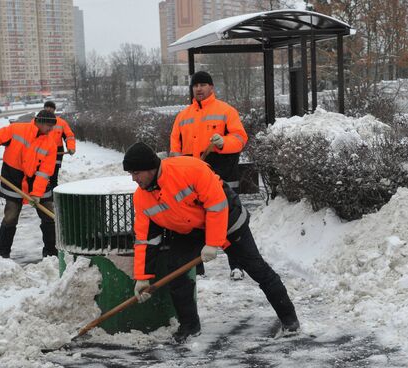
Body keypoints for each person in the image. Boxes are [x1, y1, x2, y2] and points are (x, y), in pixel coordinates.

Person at [123, 142, 299, 343]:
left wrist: (213, 242)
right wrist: (143, 277)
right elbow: (145, 238)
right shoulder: (142, 198)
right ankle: (189, 326)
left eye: (136, 173)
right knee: (176, 272)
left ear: (151, 168)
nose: (134, 179)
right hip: (190, 230)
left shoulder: (190, 169)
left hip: (228, 219)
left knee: (256, 267)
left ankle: (289, 319)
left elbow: (216, 204)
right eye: (131, 174)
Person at [169, 70, 248, 281]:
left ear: (211, 87)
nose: (199, 88)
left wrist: (223, 143)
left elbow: (240, 138)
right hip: (194, 177)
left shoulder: (226, 111)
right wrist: (179, 168)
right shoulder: (183, 116)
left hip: (222, 172)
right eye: (195, 85)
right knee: (196, 221)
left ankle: (237, 265)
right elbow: (175, 147)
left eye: (203, 84)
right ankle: (198, 268)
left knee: (230, 221)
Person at [0, 110, 59, 258]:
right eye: (49, 125)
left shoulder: (50, 144)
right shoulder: (17, 129)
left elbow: (44, 172)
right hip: (13, 179)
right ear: (40, 122)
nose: (51, 129)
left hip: (37, 183)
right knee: (11, 216)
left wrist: (36, 194)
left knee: (49, 216)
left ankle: (51, 252)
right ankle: (3, 254)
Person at [42, 101, 76, 189]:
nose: (49, 109)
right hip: (41, 151)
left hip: (57, 152)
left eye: (51, 108)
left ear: (54, 110)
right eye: (47, 107)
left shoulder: (61, 123)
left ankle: (53, 193)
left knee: (53, 175)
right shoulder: (37, 121)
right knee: (41, 174)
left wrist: (71, 147)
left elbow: (69, 136)